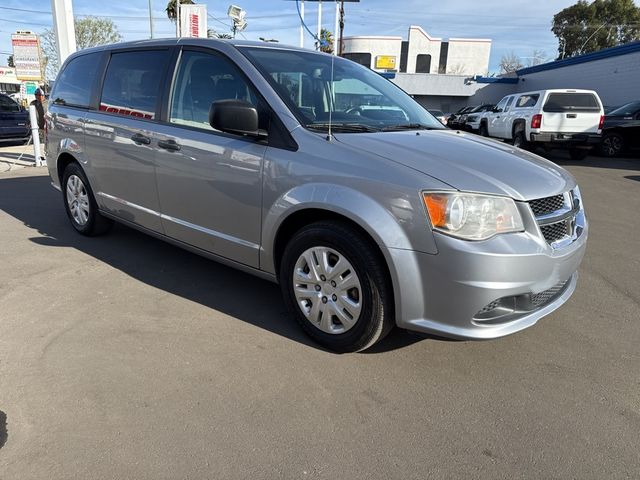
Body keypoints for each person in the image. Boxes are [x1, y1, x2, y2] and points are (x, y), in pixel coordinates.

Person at [30, 87, 48, 162]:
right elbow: (31, 114)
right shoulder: (33, 103)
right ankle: (39, 156)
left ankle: (47, 156)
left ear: (43, 96)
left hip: (46, 126)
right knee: (37, 142)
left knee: (47, 142)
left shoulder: (47, 103)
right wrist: (30, 122)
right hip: (37, 126)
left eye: (40, 95)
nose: (38, 97)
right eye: (37, 95)